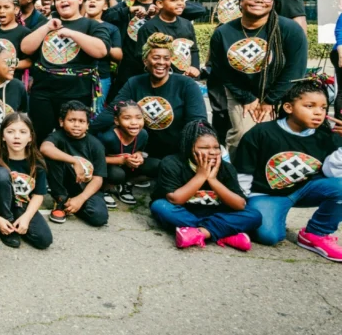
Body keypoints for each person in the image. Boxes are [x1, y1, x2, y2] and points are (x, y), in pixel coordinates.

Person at [233, 77, 342, 260]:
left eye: (323, 108)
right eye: (310, 106)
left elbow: (333, 174)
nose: (318, 112)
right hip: (266, 194)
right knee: (269, 236)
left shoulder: (327, 136)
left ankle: (316, 233)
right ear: (288, 108)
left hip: (305, 189)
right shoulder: (262, 133)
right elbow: (244, 172)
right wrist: (240, 204)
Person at [209, 0, 308, 156]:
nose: (259, 1)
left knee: (275, 136)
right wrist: (246, 97)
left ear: (274, 3)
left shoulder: (289, 29)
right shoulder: (223, 32)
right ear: (241, 1)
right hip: (240, 90)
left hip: (280, 91)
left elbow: (295, 69)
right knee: (242, 135)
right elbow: (221, 70)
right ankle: (235, 177)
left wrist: (270, 101)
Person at [92, 33, 207, 159]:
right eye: (156, 57)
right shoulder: (134, 83)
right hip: (141, 152)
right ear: (145, 60)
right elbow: (112, 111)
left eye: (166, 58)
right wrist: (86, 131)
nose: (161, 62)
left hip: (177, 152)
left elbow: (197, 122)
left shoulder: (186, 84)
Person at [151, 120, 261, 251]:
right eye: (204, 148)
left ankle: (200, 233)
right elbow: (175, 199)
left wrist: (213, 180)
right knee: (160, 206)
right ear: (189, 148)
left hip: (217, 214)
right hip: (185, 214)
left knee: (254, 215)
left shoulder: (226, 168)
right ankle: (222, 233)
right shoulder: (172, 163)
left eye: (216, 147)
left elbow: (240, 204)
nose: (213, 152)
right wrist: (201, 176)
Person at [21, 0, 110, 140]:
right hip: (43, 90)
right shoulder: (46, 23)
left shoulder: (92, 25)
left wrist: (71, 33)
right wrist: (47, 27)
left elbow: (101, 50)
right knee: (41, 134)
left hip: (77, 90)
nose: (63, 0)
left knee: (73, 135)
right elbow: (26, 48)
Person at [0, 112, 53, 250]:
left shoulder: (37, 163)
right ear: (3, 137)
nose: (16, 136)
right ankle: (4, 226)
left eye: (23, 132)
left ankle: (15, 223)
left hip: (21, 205)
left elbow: (38, 195)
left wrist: (26, 218)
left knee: (44, 240)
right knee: (1, 174)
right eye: (10, 132)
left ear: (30, 137)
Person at [39, 100, 109, 226]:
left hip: (84, 189)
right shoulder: (58, 136)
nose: (76, 125)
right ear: (61, 122)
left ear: (88, 124)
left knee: (99, 217)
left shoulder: (96, 145)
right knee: (52, 156)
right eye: (71, 120)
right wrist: (74, 161)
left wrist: (80, 199)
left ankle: (72, 204)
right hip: (63, 184)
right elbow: (45, 148)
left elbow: (98, 179)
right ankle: (61, 200)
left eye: (81, 121)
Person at [95, 100, 160, 206]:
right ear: (116, 121)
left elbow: (140, 150)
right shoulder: (108, 137)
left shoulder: (143, 134)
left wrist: (138, 155)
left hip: (129, 166)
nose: (134, 122)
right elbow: (96, 159)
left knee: (158, 165)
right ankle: (105, 188)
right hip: (110, 168)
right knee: (117, 174)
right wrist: (121, 160)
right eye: (127, 118)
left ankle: (127, 184)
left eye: (139, 118)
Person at [137, 0, 200, 77]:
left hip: (186, 78)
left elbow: (194, 50)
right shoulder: (149, 28)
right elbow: (142, 57)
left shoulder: (187, 24)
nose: (180, 3)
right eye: (174, 0)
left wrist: (194, 68)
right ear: (160, 3)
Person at [81, 0, 122, 105]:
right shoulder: (76, 25)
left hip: (101, 76)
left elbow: (118, 55)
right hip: (78, 75)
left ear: (105, 6)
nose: (92, 1)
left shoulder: (112, 28)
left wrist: (100, 46)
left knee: (96, 112)